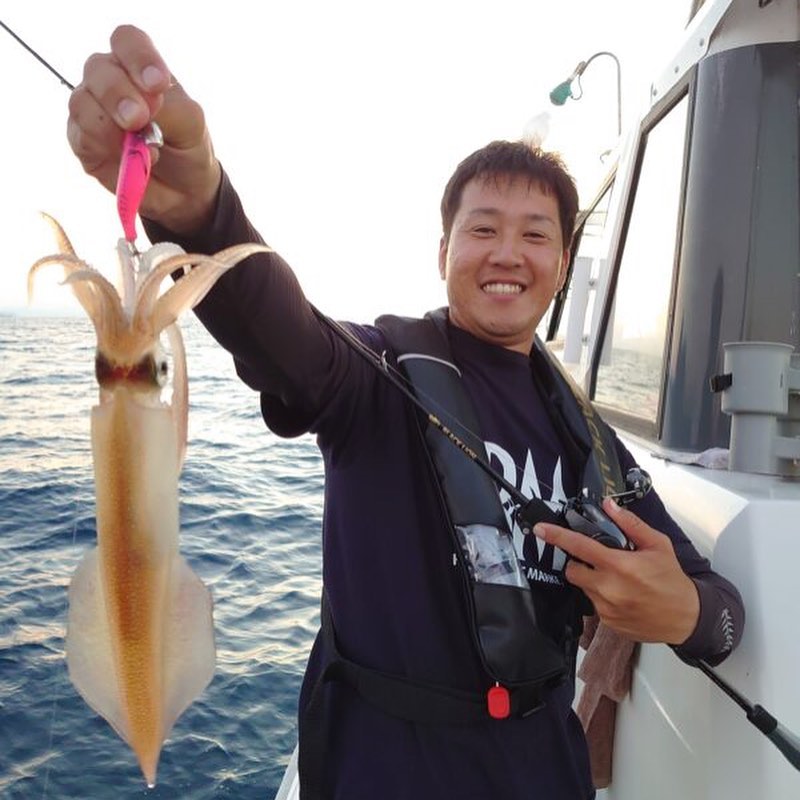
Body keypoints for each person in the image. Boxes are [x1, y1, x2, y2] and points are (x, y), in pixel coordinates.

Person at [67, 25, 744, 800]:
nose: (507, 252)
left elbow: (720, 614)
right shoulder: (374, 376)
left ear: (561, 265)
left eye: (535, 235)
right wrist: (201, 212)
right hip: (379, 771)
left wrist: (685, 611)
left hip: (543, 771)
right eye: (482, 229)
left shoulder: (591, 439)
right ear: (443, 252)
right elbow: (283, 334)